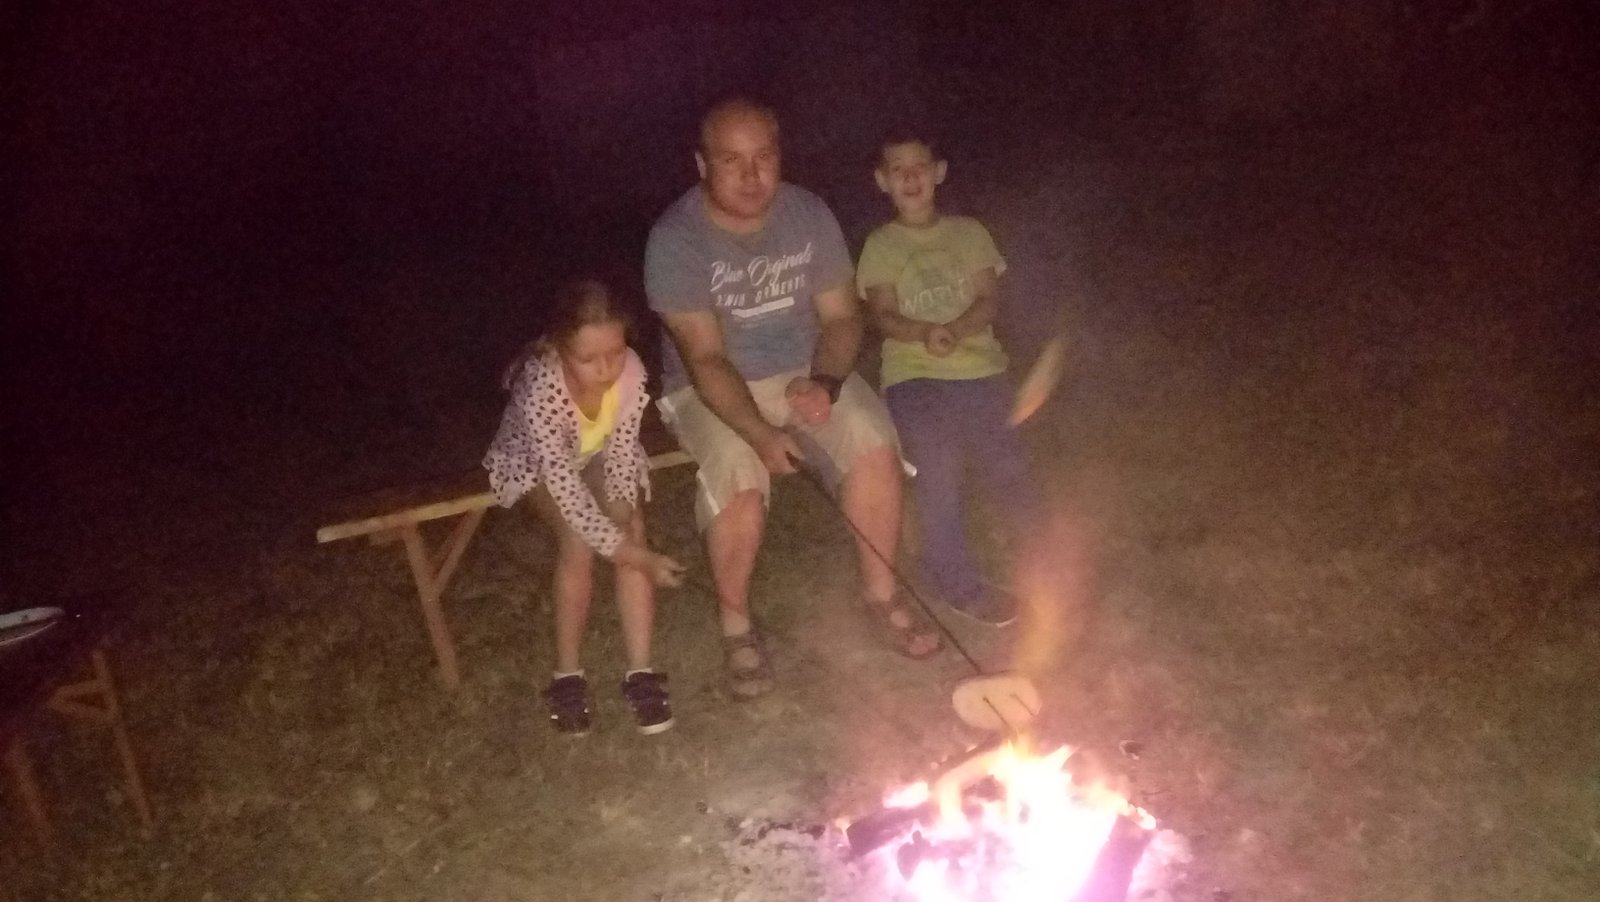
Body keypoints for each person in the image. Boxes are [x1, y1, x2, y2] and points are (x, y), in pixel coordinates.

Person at [644, 99, 943, 700]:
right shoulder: (675, 239)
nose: (751, 175)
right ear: (702, 165)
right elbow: (705, 359)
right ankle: (736, 628)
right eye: (732, 161)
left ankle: (880, 596)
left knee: (873, 445)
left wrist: (825, 382)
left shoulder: (808, 214)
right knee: (740, 476)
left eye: (763, 157)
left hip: (804, 370)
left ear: (779, 158)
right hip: (710, 385)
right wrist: (761, 433)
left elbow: (842, 317)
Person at [484, 278, 686, 736]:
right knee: (578, 541)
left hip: (596, 454)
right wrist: (635, 558)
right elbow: (565, 488)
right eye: (588, 358)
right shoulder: (541, 387)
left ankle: (641, 673)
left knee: (629, 527)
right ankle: (568, 677)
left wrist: (624, 529)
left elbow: (621, 453)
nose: (606, 368)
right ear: (559, 348)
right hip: (535, 462)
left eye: (614, 352)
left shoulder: (631, 373)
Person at [856, 130, 1038, 627]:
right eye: (898, 169)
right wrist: (925, 333)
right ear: (882, 181)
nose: (910, 177)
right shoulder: (881, 245)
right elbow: (883, 315)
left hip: (982, 370)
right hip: (915, 376)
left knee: (1008, 466)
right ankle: (957, 583)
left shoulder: (969, 233)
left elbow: (989, 299)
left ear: (939, 172)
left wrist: (955, 330)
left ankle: (1041, 565)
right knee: (938, 470)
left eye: (920, 166)